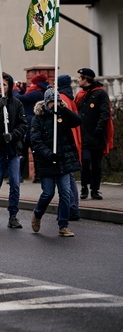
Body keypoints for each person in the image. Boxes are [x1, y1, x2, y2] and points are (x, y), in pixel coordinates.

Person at [30, 88, 82, 237]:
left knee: (66, 193)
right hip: (47, 162)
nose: (55, 104)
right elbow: (36, 141)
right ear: (47, 103)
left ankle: (63, 225)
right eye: (52, 101)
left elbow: (78, 121)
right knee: (48, 193)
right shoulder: (38, 119)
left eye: (58, 101)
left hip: (63, 161)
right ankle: (38, 213)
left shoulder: (63, 115)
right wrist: (48, 154)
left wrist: (63, 110)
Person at [0, 72, 27, 228]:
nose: (0, 87)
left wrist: (13, 135)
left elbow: (23, 125)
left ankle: (13, 216)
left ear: (10, 86)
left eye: (4, 84)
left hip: (12, 149)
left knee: (15, 183)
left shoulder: (17, 103)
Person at [75, 68, 113, 200]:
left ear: (86, 79)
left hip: (97, 135)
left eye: (80, 78)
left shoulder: (100, 93)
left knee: (96, 164)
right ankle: (84, 187)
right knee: (85, 160)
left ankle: (95, 189)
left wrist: (100, 128)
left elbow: (104, 113)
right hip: (83, 135)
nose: (78, 80)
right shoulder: (80, 94)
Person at [14, 73, 50, 182]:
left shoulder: (36, 93)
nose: (31, 85)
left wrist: (15, 89)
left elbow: (20, 98)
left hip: (29, 127)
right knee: (36, 152)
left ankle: (19, 176)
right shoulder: (41, 92)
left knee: (23, 151)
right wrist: (21, 88)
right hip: (35, 127)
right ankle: (38, 176)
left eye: (33, 83)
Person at [57, 74, 82, 220]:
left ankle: (71, 208)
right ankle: (72, 208)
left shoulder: (63, 98)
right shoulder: (69, 96)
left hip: (65, 143)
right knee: (69, 177)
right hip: (71, 142)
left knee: (68, 178)